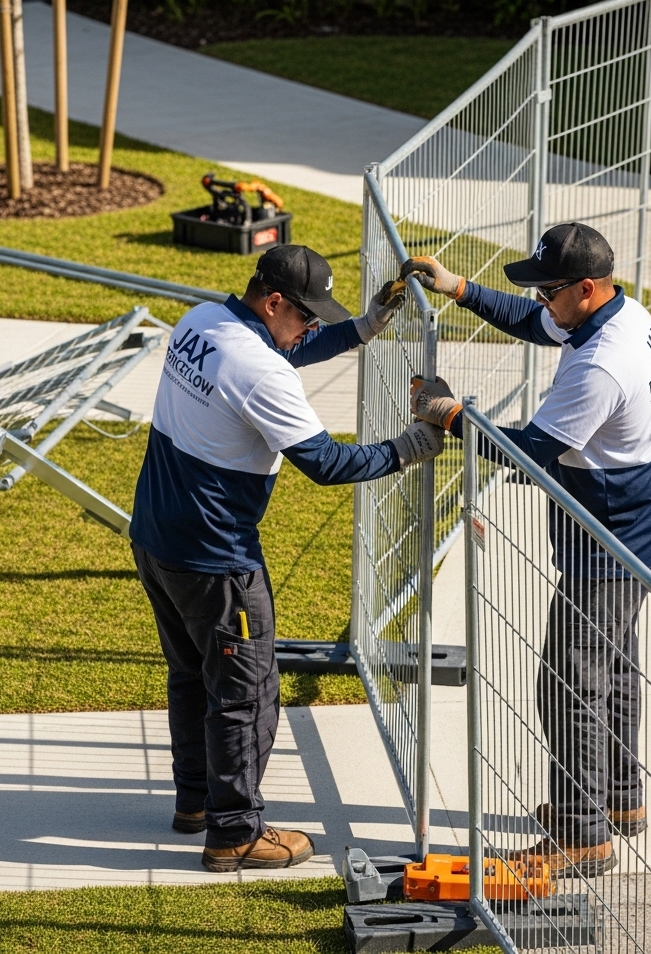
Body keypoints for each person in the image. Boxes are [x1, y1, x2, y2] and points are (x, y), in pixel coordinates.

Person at [130, 244, 443, 872]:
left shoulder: (201, 321)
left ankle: (196, 802)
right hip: (217, 557)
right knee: (247, 692)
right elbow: (325, 462)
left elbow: (279, 351)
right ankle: (235, 833)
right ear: (273, 302)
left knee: (191, 674)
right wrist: (406, 448)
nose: (310, 329)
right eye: (306, 317)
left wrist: (362, 329)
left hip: (156, 539)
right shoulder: (260, 372)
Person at [403, 221, 651, 877]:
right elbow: (536, 324)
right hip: (641, 522)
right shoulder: (618, 311)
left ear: (585, 288)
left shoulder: (601, 365)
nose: (540, 301)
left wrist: (447, 413)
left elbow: (526, 454)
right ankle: (620, 799)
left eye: (548, 290)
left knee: (567, 684)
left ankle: (582, 833)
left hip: (610, 538)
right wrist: (460, 288)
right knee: (613, 666)